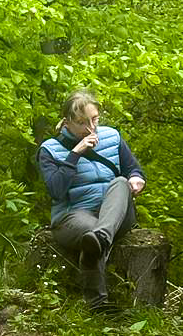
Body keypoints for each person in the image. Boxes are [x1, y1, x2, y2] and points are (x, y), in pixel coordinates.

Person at [38, 90, 146, 310]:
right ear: (67, 123)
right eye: (81, 122)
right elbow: (56, 191)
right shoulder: (50, 149)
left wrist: (136, 178)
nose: (91, 128)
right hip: (74, 215)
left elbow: (132, 168)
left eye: (94, 119)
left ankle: (101, 239)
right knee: (92, 233)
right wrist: (75, 154)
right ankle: (98, 304)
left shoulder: (112, 136)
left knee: (120, 183)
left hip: (115, 213)